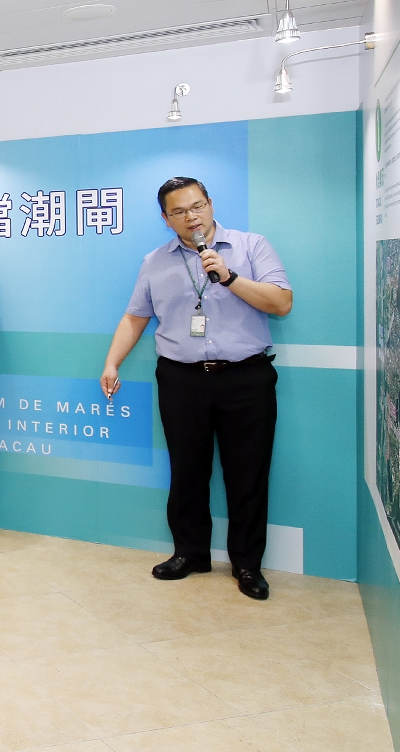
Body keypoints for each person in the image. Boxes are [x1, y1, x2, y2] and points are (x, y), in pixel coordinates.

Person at [100, 177, 292, 600]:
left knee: (248, 474)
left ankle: (247, 564)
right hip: (181, 379)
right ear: (166, 219)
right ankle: (190, 553)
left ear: (210, 204)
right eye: (180, 212)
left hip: (246, 377)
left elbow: (281, 303)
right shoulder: (155, 261)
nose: (192, 217)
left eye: (197, 206)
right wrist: (112, 362)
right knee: (187, 471)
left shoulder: (251, 246)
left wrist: (230, 277)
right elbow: (135, 317)